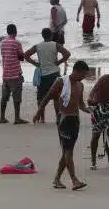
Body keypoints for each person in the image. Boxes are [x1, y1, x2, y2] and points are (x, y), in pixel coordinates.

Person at [34, 60, 90, 191]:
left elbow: (80, 104)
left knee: (67, 151)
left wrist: (88, 110)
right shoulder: (61, 81)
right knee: (68, 151)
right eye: (83, 74)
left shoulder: (80, 85)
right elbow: (47, 97)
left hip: (75, 120)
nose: (83, 77)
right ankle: (74, 180)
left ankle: (56, 179)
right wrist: (39, 111)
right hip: (63, 120)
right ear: (76, 71)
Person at [24, 27, 71, 123]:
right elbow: (67, 54)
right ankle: (58, 118)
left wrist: (36, 64)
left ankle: (42, 119)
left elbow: (26, 55)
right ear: (51, 35)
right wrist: (59, 62)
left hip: (44, 75)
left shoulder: (38, 46)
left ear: (42, 36)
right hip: (55, 74)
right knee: (56, 97)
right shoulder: (55, 45)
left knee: (41, 98)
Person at [0, 24, 27, 125]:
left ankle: (2, 117)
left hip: (5, 73)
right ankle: (17, 118)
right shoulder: (16, 43)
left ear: (7, 32)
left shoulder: (2, 43)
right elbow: (21, 57)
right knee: (17, 98)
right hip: (15, 74)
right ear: (15, 31)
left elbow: (3, 56)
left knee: (4, 97)